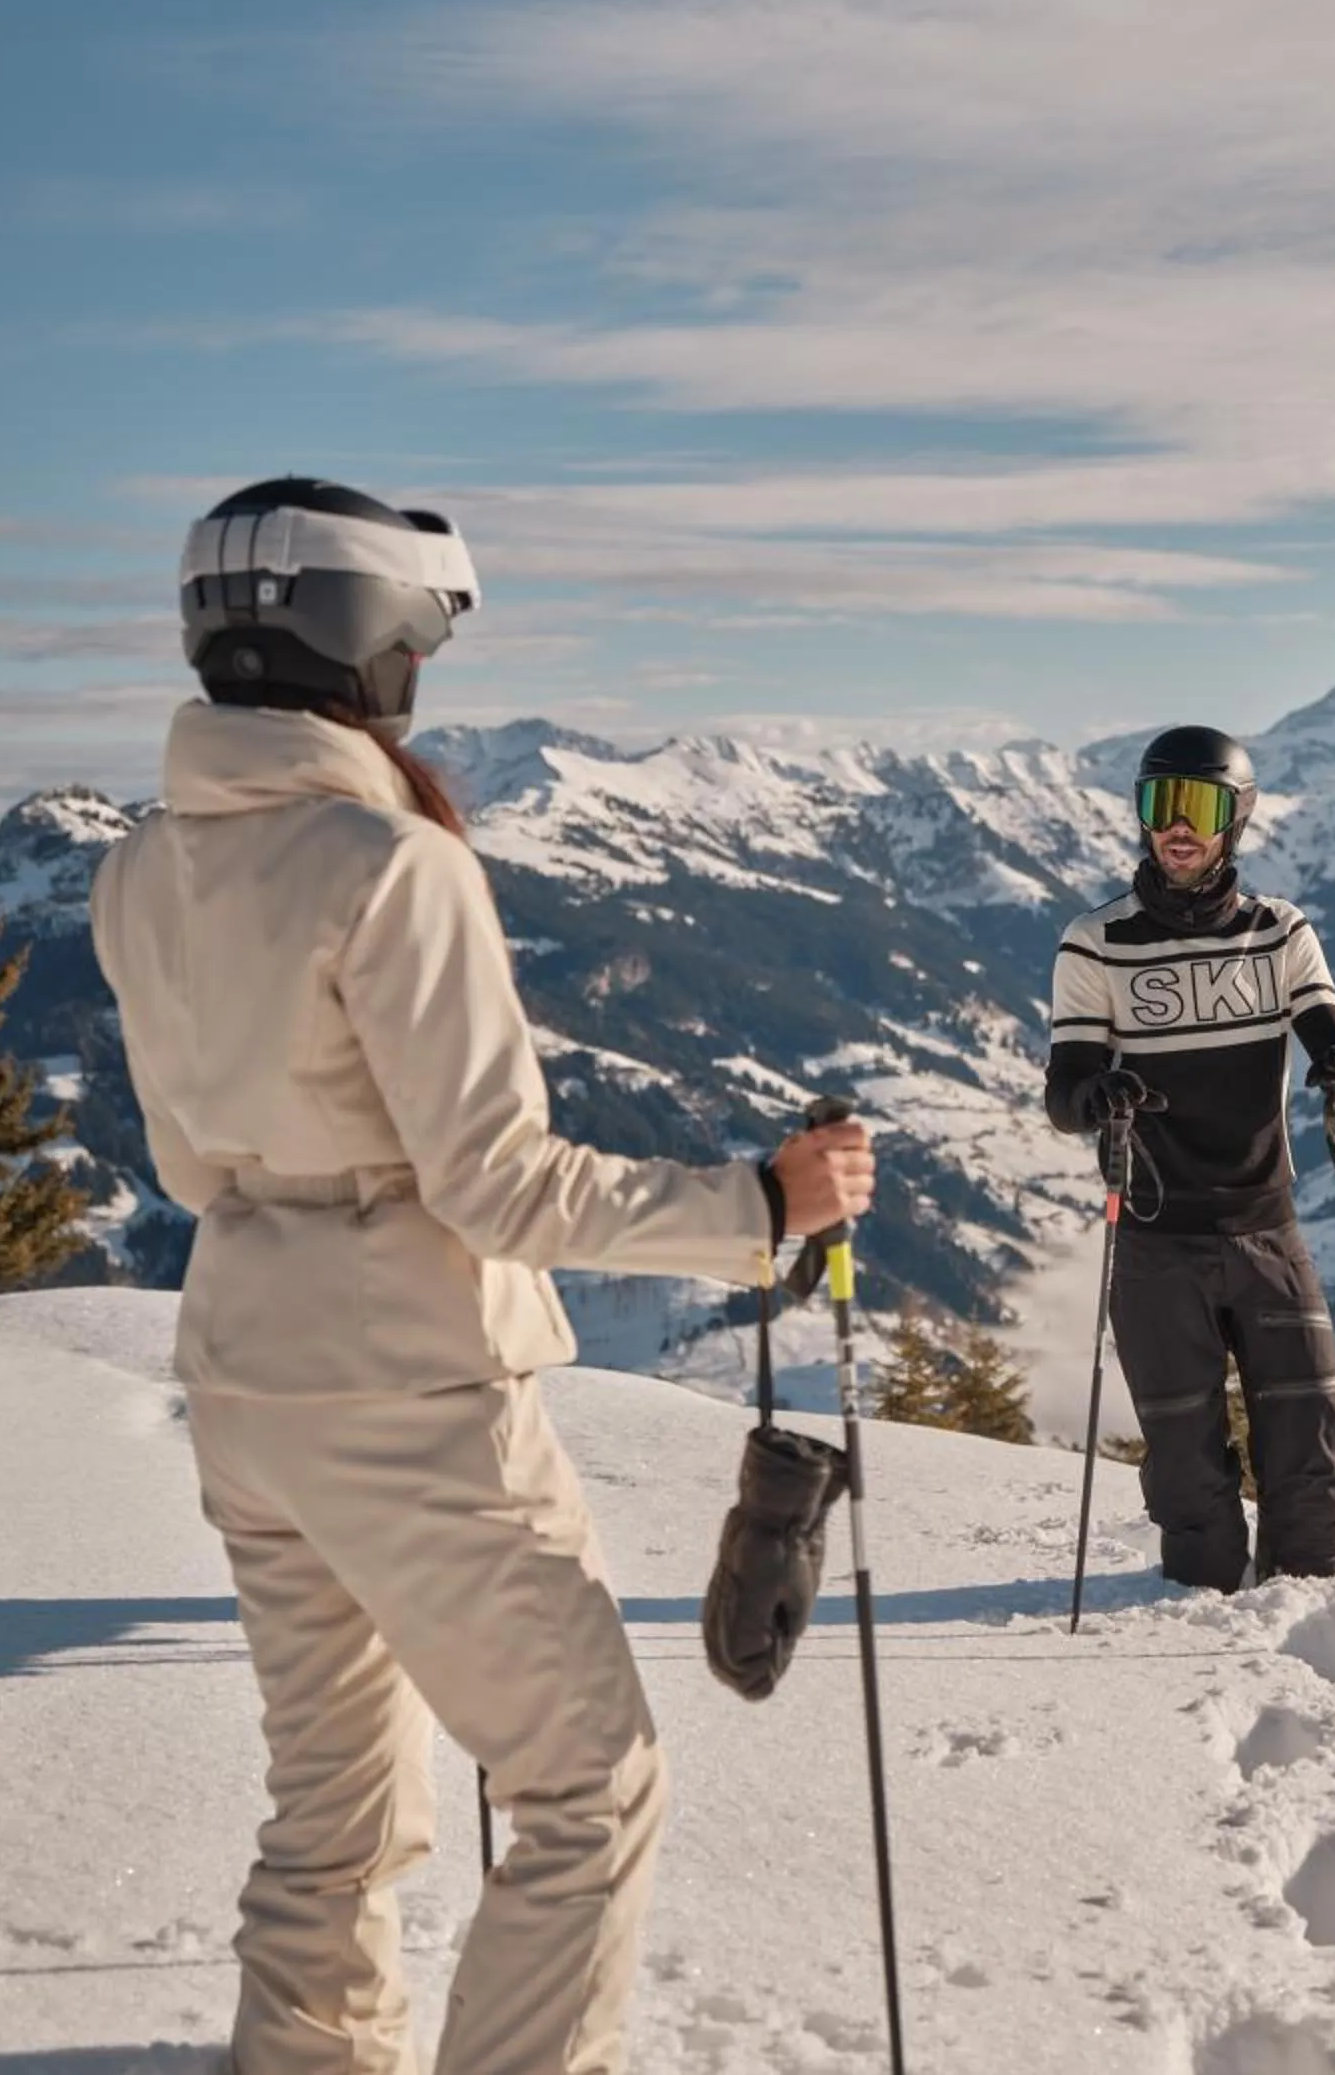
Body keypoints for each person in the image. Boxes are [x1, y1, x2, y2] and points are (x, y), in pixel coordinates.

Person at [90, 476, 876, 2075]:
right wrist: (761, 1199)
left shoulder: (141, 869)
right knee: (588, 1785)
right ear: (364, 641)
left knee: (335, 1808)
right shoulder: (388, 862)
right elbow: (500, 1185)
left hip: (242, 1371)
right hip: (407, 1389)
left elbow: (184, 1169)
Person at [1043, 725, 1335, 1591]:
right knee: (1189, 1480)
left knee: (1314, 1464)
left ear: (1237, 820)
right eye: (1161, 804)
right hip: (1156, 1246)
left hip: (1266, 1232)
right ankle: (1194, 1649)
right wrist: (1097, 1100)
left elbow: (1325, 1031)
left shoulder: (1279, 933)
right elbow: (1064, 1091)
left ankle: (1314, 1635)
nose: (1176, 827)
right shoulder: (1097, 943)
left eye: (1198, 806)